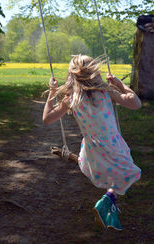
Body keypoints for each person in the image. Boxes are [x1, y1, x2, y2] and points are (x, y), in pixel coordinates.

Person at [42, 55, 142, 231]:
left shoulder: (71, 98)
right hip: (113, 144)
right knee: (129, 173)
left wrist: (52, 92)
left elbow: (47, 119)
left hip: (91, 150)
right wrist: (120, 84)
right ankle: (107, 201)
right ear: (94, 72)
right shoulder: (106, 91)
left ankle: (110, 207)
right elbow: (136, 103)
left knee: (112, 176)